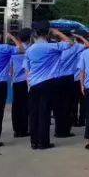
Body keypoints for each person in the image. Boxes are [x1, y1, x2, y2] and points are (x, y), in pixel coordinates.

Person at [23, 21, 72, 150]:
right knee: (44, 113)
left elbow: (27, 69)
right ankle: (43, 142)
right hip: (48, 83)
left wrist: (29, 83)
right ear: (47, 33)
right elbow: (70, 43)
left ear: (34, 33)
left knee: (34, 114)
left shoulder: (29, 50)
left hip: (33, 84)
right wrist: (57, 33)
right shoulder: (52, 47)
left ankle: (34, 142)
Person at [54, 30, 89, 138]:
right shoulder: (75, 47)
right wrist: (78, 36)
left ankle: (58, 130)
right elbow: (88, 45)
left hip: (55, 79)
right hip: (69, 78)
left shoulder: (54, 47)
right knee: (68, 106)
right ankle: (65, 130)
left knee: (58, 106)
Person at [9, 28, 32, 137]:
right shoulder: (30, 49)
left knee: (16, 106)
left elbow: (10, 68)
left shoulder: (14, 50)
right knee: (25, 106)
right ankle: (24, 129)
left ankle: (16, 130)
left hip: (16, 81)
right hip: (26, 81)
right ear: (29, 38)